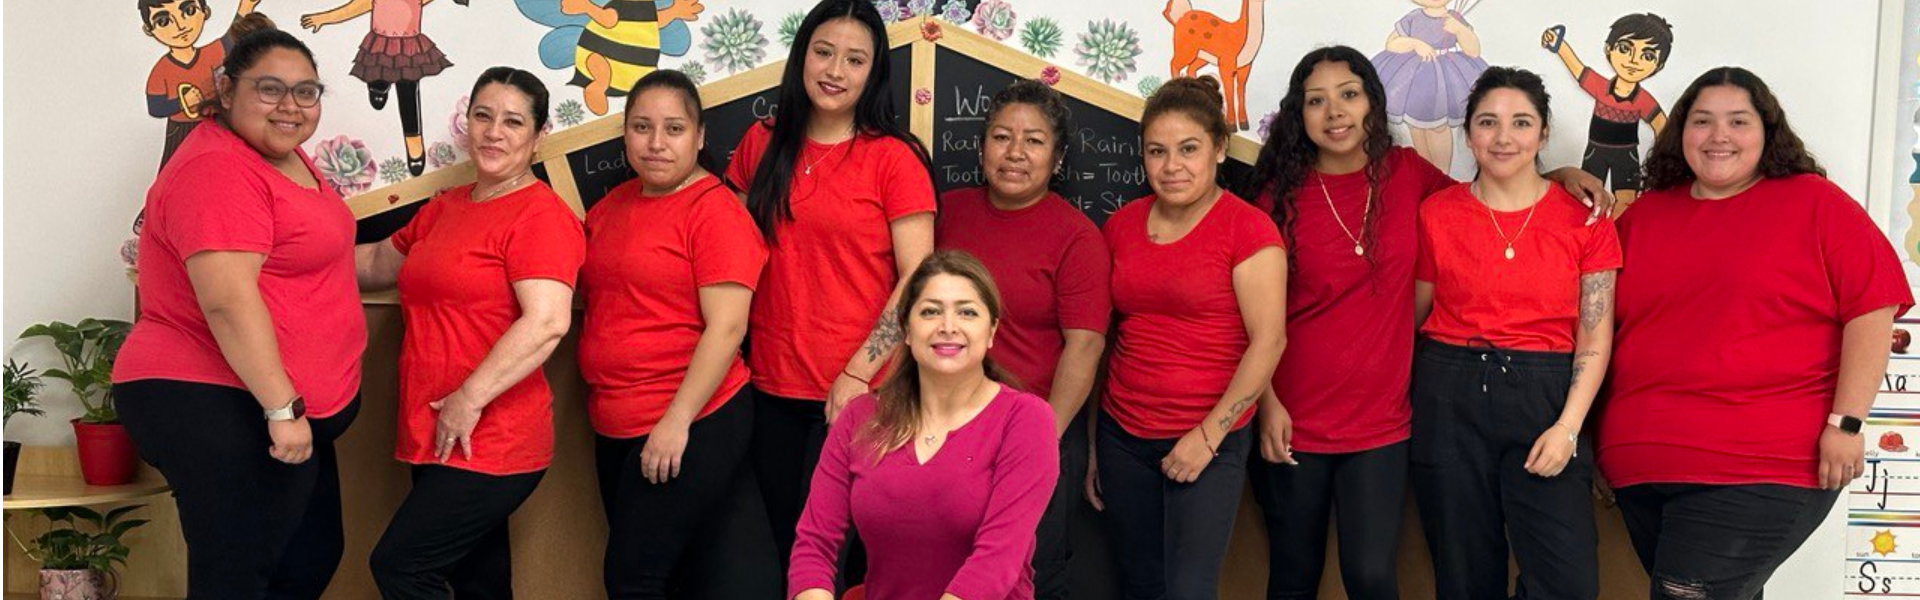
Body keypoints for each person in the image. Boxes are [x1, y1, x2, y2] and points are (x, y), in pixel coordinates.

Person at [1237, 46, 1611, 600]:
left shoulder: (1408, 175)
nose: (1335, 111)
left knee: (1372, 573)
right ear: (1299, 112)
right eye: (1317, 100)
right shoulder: (1275, 197)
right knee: (1295, 571)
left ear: (1373, 104)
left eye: (1349, 94)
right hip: (1301, 409)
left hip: (1387, 420)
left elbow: (1500, 187)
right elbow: (1250, 317)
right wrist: (1264, 403)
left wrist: (1559, 173)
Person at [1598, 66, 1913, 599]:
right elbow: (1603, 331)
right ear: (1681, 133)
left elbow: (1872, 309)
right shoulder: (1644, 216)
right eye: (1702, 121)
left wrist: (1848, 422)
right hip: (1642, 466)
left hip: (1758, 463)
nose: (1718, 136)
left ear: (1767, 132)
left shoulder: (1815, 204)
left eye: (1737, 121)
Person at [114, 26, 363, 599]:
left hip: (265, 402)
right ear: (226, 90)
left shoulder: (284, 157)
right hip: (207, 393)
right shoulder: (217, 169)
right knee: (239, 575)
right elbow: (227, 303)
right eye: (270, 89)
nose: (290, 106)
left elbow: (316, 257)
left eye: (306, 92)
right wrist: (281, 408)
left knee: (307, 558)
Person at [356, 66, 585, 599]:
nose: (493, 132)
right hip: (435, 431)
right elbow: (372, 265)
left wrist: (468, 399)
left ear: (539, 135)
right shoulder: (447, 207)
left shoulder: (540, 217)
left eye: (512, 121)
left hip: (493, 438)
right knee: (479, 581)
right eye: (482, 116)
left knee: (401, 566)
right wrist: (279, 254)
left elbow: (548, 321)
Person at [724, 0, 936, 563]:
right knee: (787, 546)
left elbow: (919, 280)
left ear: (873, 73)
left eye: (854, 59)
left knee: (839, 558)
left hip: (862, 393)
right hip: (768, 385)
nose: (835, 71)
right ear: (801, 57)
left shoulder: (894, 159)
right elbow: (733, 259)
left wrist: (856, 375)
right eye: (823, 52)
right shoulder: (760, 143)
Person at [1410, 66, 1618, 600]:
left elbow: (1594, 337)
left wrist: (1569, 428)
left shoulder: (1585, 219)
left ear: (1544, 133)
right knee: (1463, 574)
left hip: (1546, 399)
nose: (1504, 138)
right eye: (1488, 123)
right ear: (1468, 133)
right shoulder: (1435, 213)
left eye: (1521, 122)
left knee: (1566, 581)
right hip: (1448, 391)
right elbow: (1416, 315)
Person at [580, 69, 781, 599]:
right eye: (641, 127)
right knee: (685, 571)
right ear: (624, 134)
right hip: (615, 421)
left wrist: (676, 421)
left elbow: (728, 325)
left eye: (673, 129)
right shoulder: (609, 208)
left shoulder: (714, 213)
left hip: (690, 418)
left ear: (699, 136)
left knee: (632, 578)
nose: (656, 143)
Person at [1096, 75, 1287, 600]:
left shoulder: (1247, 230)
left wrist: (1208, 436)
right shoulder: (1122, 225)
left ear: (1220, 149)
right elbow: (1107, 335)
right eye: (1156, 152)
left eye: (1188, 149)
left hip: (1208, 437)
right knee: (1139, 585)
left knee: (1189, 590)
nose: (1171, 166)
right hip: (1122, 434)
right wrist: (1095, 441)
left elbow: (1268, 341)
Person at [789, 251, 1059, 600]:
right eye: (930, 311)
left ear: (991, 330)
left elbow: (997, 560)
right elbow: (814, 544)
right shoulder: (859, 417)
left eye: (967, 312)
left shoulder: (1026, 419)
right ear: (905, 328)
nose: (948, 326)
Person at [933, 78, 1109, 600]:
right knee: (945, 572)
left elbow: (1086, 346)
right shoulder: (946, 212)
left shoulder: (1077, 237)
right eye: (1001, 137)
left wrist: (1041, 440)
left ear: (1056, 159)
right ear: (982, 145)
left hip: (1034, 429)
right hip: (942, 428)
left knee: (1027, 576)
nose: (1014, 153)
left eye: (1033, 141)